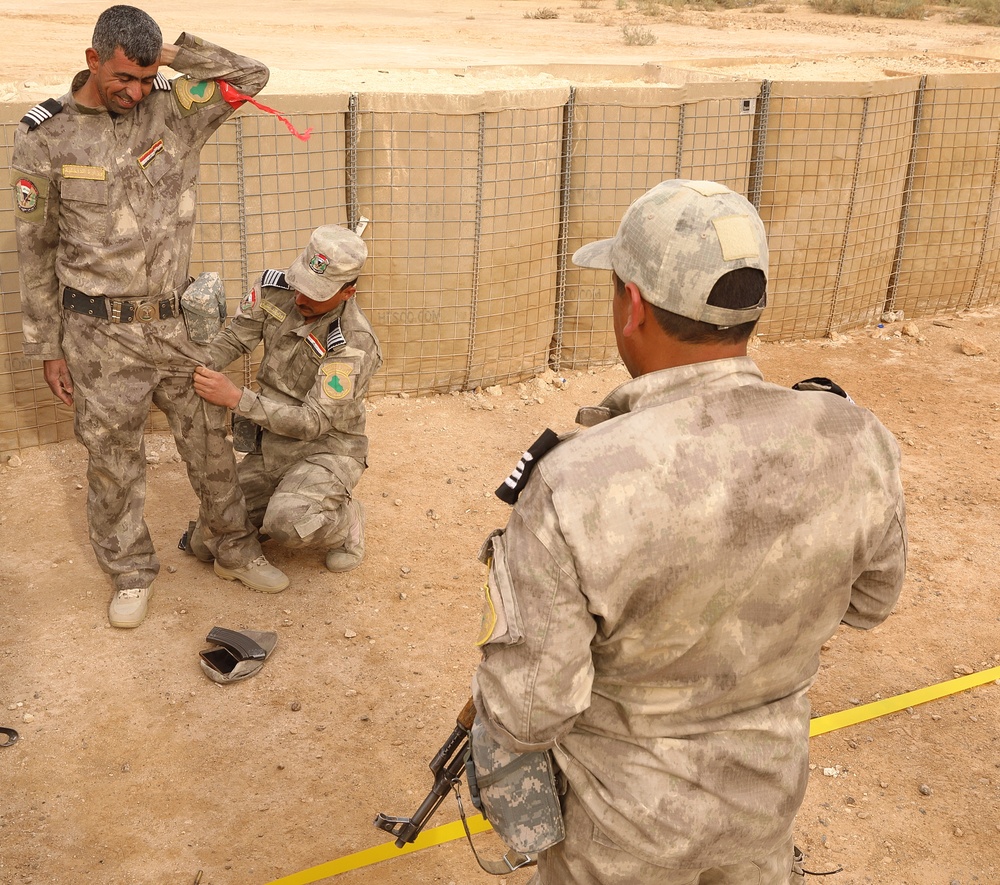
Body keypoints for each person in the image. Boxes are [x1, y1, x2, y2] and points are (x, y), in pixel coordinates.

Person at [471, 179, 907, 884]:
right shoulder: (855, 437)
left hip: (622, 834)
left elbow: (528, 710)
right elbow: (871, 603)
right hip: (763, 806)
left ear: (632, 305)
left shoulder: (576, 482)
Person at [10, 5, 288, 629]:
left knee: (210, 442)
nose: (133, 93)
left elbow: (253, 74)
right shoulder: (44, 137)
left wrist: (171, 57)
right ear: (91, 60)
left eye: (143, 77)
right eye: (121, 80)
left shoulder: (173, 109)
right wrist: (49, 347)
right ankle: (131, 570)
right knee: (113, 458)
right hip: (97, 334)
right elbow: (36, 252)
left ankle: (233, 547)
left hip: (176, 324)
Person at [188, 225, 382, 573]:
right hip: (272, 446)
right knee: (206, 543)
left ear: (348, 292)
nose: (300, 299)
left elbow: (314, 422)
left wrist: (235, 398)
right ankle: (283, 500)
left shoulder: (353, 343)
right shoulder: (274, 290)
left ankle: (346, 521)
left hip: (326, 450)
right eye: (300, 284)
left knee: (287, 523)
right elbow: (234, 339)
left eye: (315, 293)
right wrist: (197, 364)